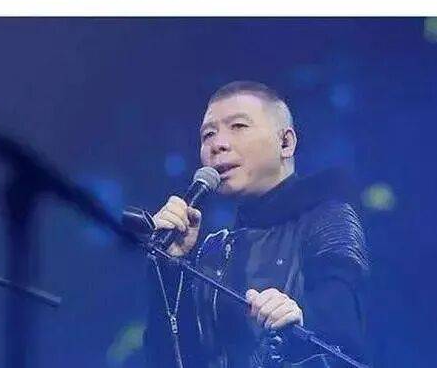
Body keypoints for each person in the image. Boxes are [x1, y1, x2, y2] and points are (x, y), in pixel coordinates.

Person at [144, 81, 369, 368]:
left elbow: (347, 335)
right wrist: (169, 267)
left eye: (238, 126)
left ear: (285, 143)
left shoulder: (328, 217)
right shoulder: (213, 250)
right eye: (208, 134)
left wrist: (302, 321)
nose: (217, 144)